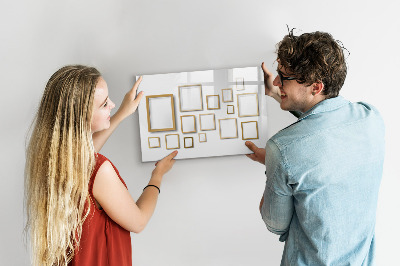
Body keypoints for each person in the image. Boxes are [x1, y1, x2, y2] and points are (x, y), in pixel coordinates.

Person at [245, 30, 385, 265]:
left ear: (316, 87)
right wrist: (278, 94)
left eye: (284, 77)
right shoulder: (371, 118)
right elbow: (325, 124)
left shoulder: (282, 149)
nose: (277, 81)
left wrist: (273, 163)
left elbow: (275, 224)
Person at [24, 65, 177, 266]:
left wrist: (122, 113)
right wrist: (157, 175)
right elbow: (138, 221)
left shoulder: (53, 159)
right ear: (81, 117)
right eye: (105, 104)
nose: (112, 104)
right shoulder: (100, 170)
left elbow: (86, 157)